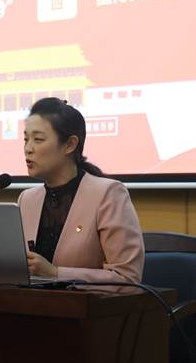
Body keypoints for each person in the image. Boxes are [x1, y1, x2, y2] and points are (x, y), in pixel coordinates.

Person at [18, 97, 145, 283]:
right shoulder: (26, 199)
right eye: (25, 139)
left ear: (70, 144)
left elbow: (127, 277)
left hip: (88, 302)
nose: (28, 149)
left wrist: (55, 273)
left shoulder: (108, 195)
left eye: (38, 139)